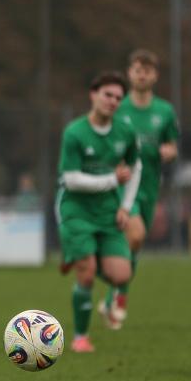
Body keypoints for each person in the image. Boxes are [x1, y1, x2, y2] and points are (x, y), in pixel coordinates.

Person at [56, 71, 141, 353]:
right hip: (77, 210)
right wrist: (111, 181)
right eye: (108, 94)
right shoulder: (75, 132)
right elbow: (70, 179)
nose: (113, 101)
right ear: (93, 94)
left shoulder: (125, 131)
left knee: (121, 276)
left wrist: (126, 206)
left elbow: (135, 167)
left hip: (107, 212)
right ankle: (80, 337)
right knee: (88, 273)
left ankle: (80, 259)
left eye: (118, 97)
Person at [97, 50, 178, 329]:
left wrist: (169, 151)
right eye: (137, 69)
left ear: (154, 76)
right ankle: (116, 292)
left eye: (147, 70)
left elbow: (172, 144)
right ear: (130, 73)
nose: (141, 74)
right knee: (136, 232)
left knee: (136, 244)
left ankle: (115, 295)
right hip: (122, 184)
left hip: (150, 185)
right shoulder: (119, 108)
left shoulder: (165, 111)